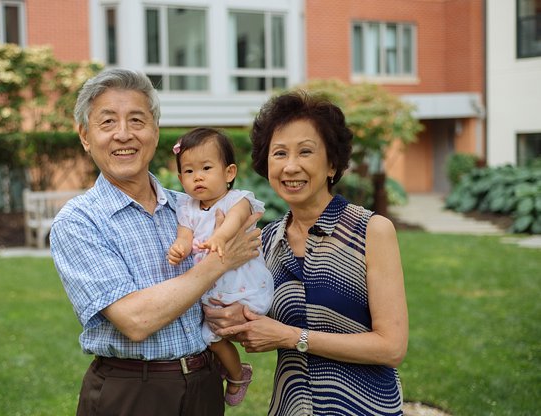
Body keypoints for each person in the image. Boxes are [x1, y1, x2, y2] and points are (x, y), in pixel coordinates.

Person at [49, 68, 263, 416]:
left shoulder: (189, 208)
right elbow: (135, 320)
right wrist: (221, 261)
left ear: (155, 131)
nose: (123, 134)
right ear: (85, 136)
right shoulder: (78, 221)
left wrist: (236, 310)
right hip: (132, 392)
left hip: (205, 384)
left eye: (137, 120)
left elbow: (241, 268)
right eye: (107, 123)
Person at [204, 90, 409, 415]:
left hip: (366, 407)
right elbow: (260, 323)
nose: (290, 166)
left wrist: (292, 337)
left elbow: (392, 347)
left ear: (332, 164)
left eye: (305, 152)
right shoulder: (267, 240)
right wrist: (236, 319)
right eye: (280, 153)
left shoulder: (371, 230)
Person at [166, 127, 274, 406]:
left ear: (228, 173)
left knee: (232, 329)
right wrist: (180, 248)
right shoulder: (187, 207)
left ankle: (232, 370)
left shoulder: (237, 199)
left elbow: (235, 222)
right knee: (210, 337)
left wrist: (219, 237)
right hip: (212, 288)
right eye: (188, 172)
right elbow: (185, 235)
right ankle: (239, 373)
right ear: (180, 179)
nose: (197, 176)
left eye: (206, 168)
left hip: (245, 286)